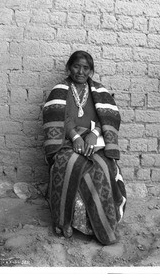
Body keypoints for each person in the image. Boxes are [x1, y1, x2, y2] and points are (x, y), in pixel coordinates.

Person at [43, 50, 126, 245]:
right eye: (76, 66)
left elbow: (106, 117)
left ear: (91, 71)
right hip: (66, 140)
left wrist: (94, 134)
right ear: (69, 67)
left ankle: (103, 225)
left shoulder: (99, 91)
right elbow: (60, 117)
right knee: (69, 164)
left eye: (85, 68)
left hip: (93, 140)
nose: (80, 71)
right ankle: (65, 222)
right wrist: (75, 137)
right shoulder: (60, 90)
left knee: (103, 167)